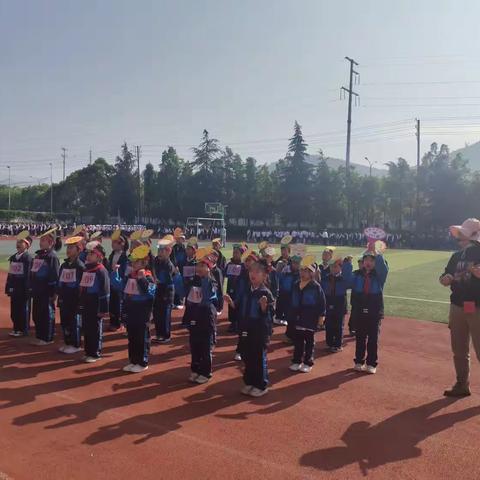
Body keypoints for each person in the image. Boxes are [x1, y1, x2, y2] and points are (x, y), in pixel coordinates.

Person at [440, 218, 480, 397]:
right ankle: (462, 384)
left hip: (477, 306)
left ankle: (462, 384)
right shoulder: (456, 256)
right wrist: (445, 279)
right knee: (459, 349)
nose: (459, 237)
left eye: (463, 233)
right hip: (457, 305)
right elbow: (443, 277)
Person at [225, 258, 275, 397]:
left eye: (257, 271)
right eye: (251, 271)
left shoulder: (265, 293)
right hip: (245, 328)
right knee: (247, 356)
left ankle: (261, 385)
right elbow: (238, 305)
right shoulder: (247, 290)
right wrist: (231, 303)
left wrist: (264, 307)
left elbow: (270, 315)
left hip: (259, 331)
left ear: (264, 275)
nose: (253, 273)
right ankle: (249, 382)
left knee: (258, 357)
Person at [112, 245, 156, 373]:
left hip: (142, 311)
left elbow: (150, 292)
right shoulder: (130, 276)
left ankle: (142, 362)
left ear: (144, 262)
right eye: (133, 261)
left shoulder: (148, 276)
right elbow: (120, 287)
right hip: (131, 309)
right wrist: (115, 273)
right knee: (132, 337)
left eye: (136, 261)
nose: (133, 264)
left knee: (141, 337)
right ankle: (133, 360)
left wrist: (142, 279)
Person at [184, 248, 220, 384]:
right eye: (198, 265)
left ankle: (205, 372)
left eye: (202, 265)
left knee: (205, 345)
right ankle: (195, 369)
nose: (199, 268)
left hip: (206, 314)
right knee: (195, 344)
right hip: (195, 314)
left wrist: (202, 280)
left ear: (209, 268)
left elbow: (207, 297)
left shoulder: (211, 282)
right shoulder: (195, 280)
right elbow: (188, 296)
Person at [351, 244, 389, 374]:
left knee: (373, 339)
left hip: (374, 311)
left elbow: (383, 269)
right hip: (360, 310)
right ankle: (358, 361)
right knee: (360, 337)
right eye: (366, 260)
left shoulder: (379, 276)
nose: (368, 263)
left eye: (371, 260)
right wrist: (346, 265)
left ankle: (371, 363)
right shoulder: (357, 274)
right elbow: (347, 281)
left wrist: (377, 254)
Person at [289, 255, 326, 373]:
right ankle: (296, 361)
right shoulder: (295, 285)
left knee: (309, 341)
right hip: (297, 318)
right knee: (298, 340)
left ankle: (307, 362)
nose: (303, 273)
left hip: (310, 318)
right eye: (301, 270)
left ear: (312, 273)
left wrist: (321, 317)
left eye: (306, 270)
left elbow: (322, 303)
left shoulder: (316, 287)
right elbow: (292, 300)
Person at [78, 241, 110, 363]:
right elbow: (82, 287)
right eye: (88, 253)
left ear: (98, 256)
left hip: (96, 303)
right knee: (86, 328)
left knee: (95, 329)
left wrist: (103, 309)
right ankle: (88, 351)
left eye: (92, 253)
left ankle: (95, 352)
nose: (88, 255)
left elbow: (105, 290)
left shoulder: (101, 271)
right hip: (86, 302)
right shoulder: (87, 269)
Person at [29, 228, 61, 346]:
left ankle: (47, 337)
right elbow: (33, 272)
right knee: (37, 314)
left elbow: (54, 276)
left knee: (46, 314)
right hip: (37, 290)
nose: (40, 242)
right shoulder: (39, 255)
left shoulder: (52, 257)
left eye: (44, 240)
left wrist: (54, 293)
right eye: (41, 240)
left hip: (46, 291)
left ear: (51, 242)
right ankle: (39, 335)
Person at [57, 235, 85, 354]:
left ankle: (76, 344)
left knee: (74, 322)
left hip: (74, 299)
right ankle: (67, 342)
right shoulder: (64, 265)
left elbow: (81, 286)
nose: (68, 250)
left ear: (79, 250)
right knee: (65, 321)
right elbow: (61, 281)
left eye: (72, 248)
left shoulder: (80, 266)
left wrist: (80, 300)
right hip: (64, 298)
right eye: (68, 248)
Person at [321, 256, 353, 353]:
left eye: (335, 267)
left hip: (340, 303)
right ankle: (330, 343)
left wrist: (347, 264)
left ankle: (337, 344)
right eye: (331, 267)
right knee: (329, 325)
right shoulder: (326, 278)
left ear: (340, 268)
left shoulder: (343, 279)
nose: (333, 269)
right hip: (328, 302)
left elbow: (349, 279)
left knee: (338, 325)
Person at [5, 230, 33, 337]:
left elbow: (28, 275)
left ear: (27, 245)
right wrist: (8, 286)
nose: (18, 244)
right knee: (14, 309)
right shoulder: (13, 257)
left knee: (23, 309)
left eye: (21, 242)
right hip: (14, 288)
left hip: (23, 288)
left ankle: (23, 329)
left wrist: (28, 288)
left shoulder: (28, 258)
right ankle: (16, 327)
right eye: (17, 242)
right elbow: (10, 274)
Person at [152, 236, 175, 344]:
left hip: (166, 290)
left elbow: (165, 279)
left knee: (164, 313)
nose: (159, 253)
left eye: (162, 250)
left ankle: (165, 335)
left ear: (168, 251)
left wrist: (155, 279)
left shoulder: (168, 264)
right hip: (158, 288)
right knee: (157, 312)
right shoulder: (156, 260)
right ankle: (159, 333)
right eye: (159, 250)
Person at [107, 229, 129, 332]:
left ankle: (120, 322)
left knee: (118, 303)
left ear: (121, 244)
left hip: (119, 282)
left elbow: (124, 270)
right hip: (111, 281)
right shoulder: (112, 255)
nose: (112, 244)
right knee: (112, 303)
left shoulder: (125, 257)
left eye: (114, 242)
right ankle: (113, 321)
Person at [225, 243, 247, 333]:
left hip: (239, 289)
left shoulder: (243, 265)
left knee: (238, 305)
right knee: (231, 305)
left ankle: (238, 323)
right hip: (230, 287)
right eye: (234, 252)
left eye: (237, 253)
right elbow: (225, 274)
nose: (235, 254)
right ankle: (232, 323)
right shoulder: (229, 264)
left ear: (241, 254)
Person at [171, 228, 187, 309]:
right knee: (176, 285)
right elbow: (173, 259)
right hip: (176, 270)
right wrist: (175, 267)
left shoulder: (184, 248)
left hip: (183, 269)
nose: (181, 240)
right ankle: (175, 301)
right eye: (180, 238)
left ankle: (180, 301)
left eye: (182, 239)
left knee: (181, 285)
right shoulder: (173, 248)